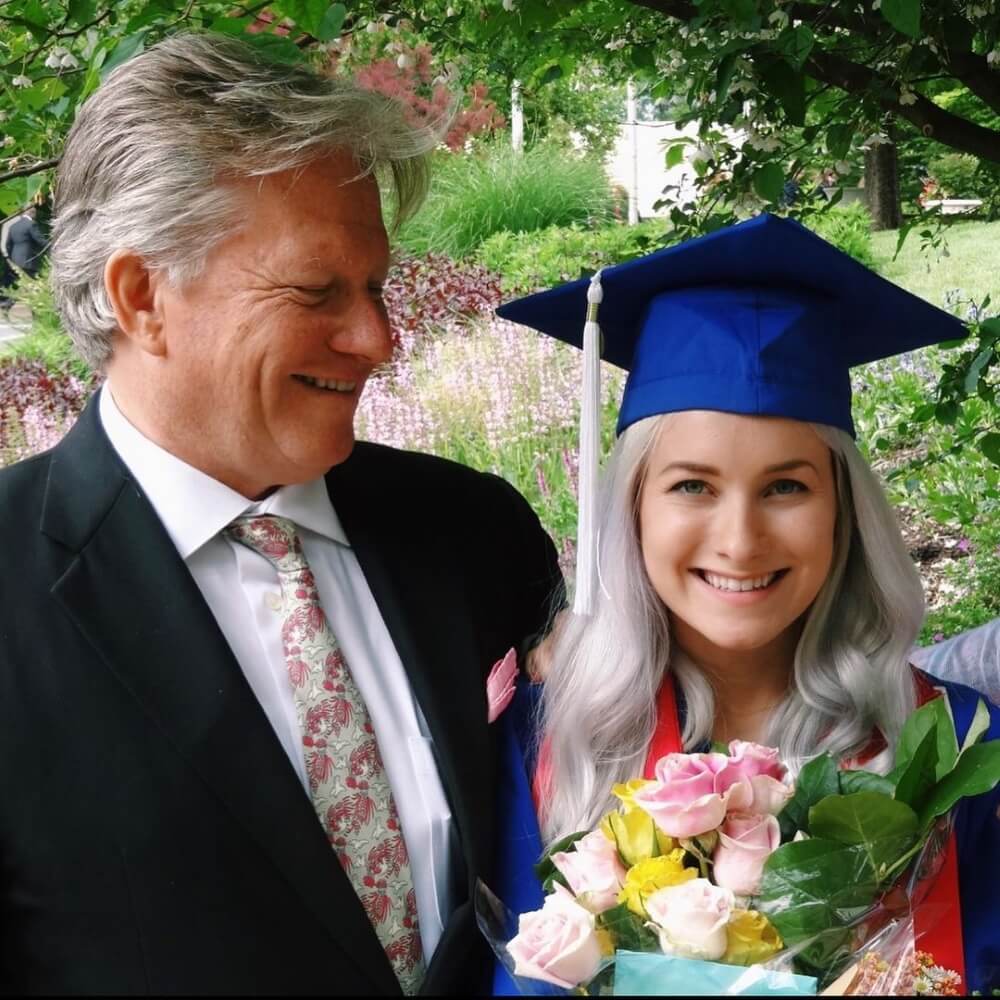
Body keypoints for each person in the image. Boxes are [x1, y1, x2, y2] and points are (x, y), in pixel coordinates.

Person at [0, 33, 562, 995]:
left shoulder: (474, 532)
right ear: (141, 297)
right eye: (317, 291)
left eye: (377, 285)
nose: (376, 339)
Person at [496, 214, 1000, 992]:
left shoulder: (959, 747)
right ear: (632, 508)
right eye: (692, 485)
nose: (739, 540)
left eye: (787, 487)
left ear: (844, 511)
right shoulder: (548, 749)